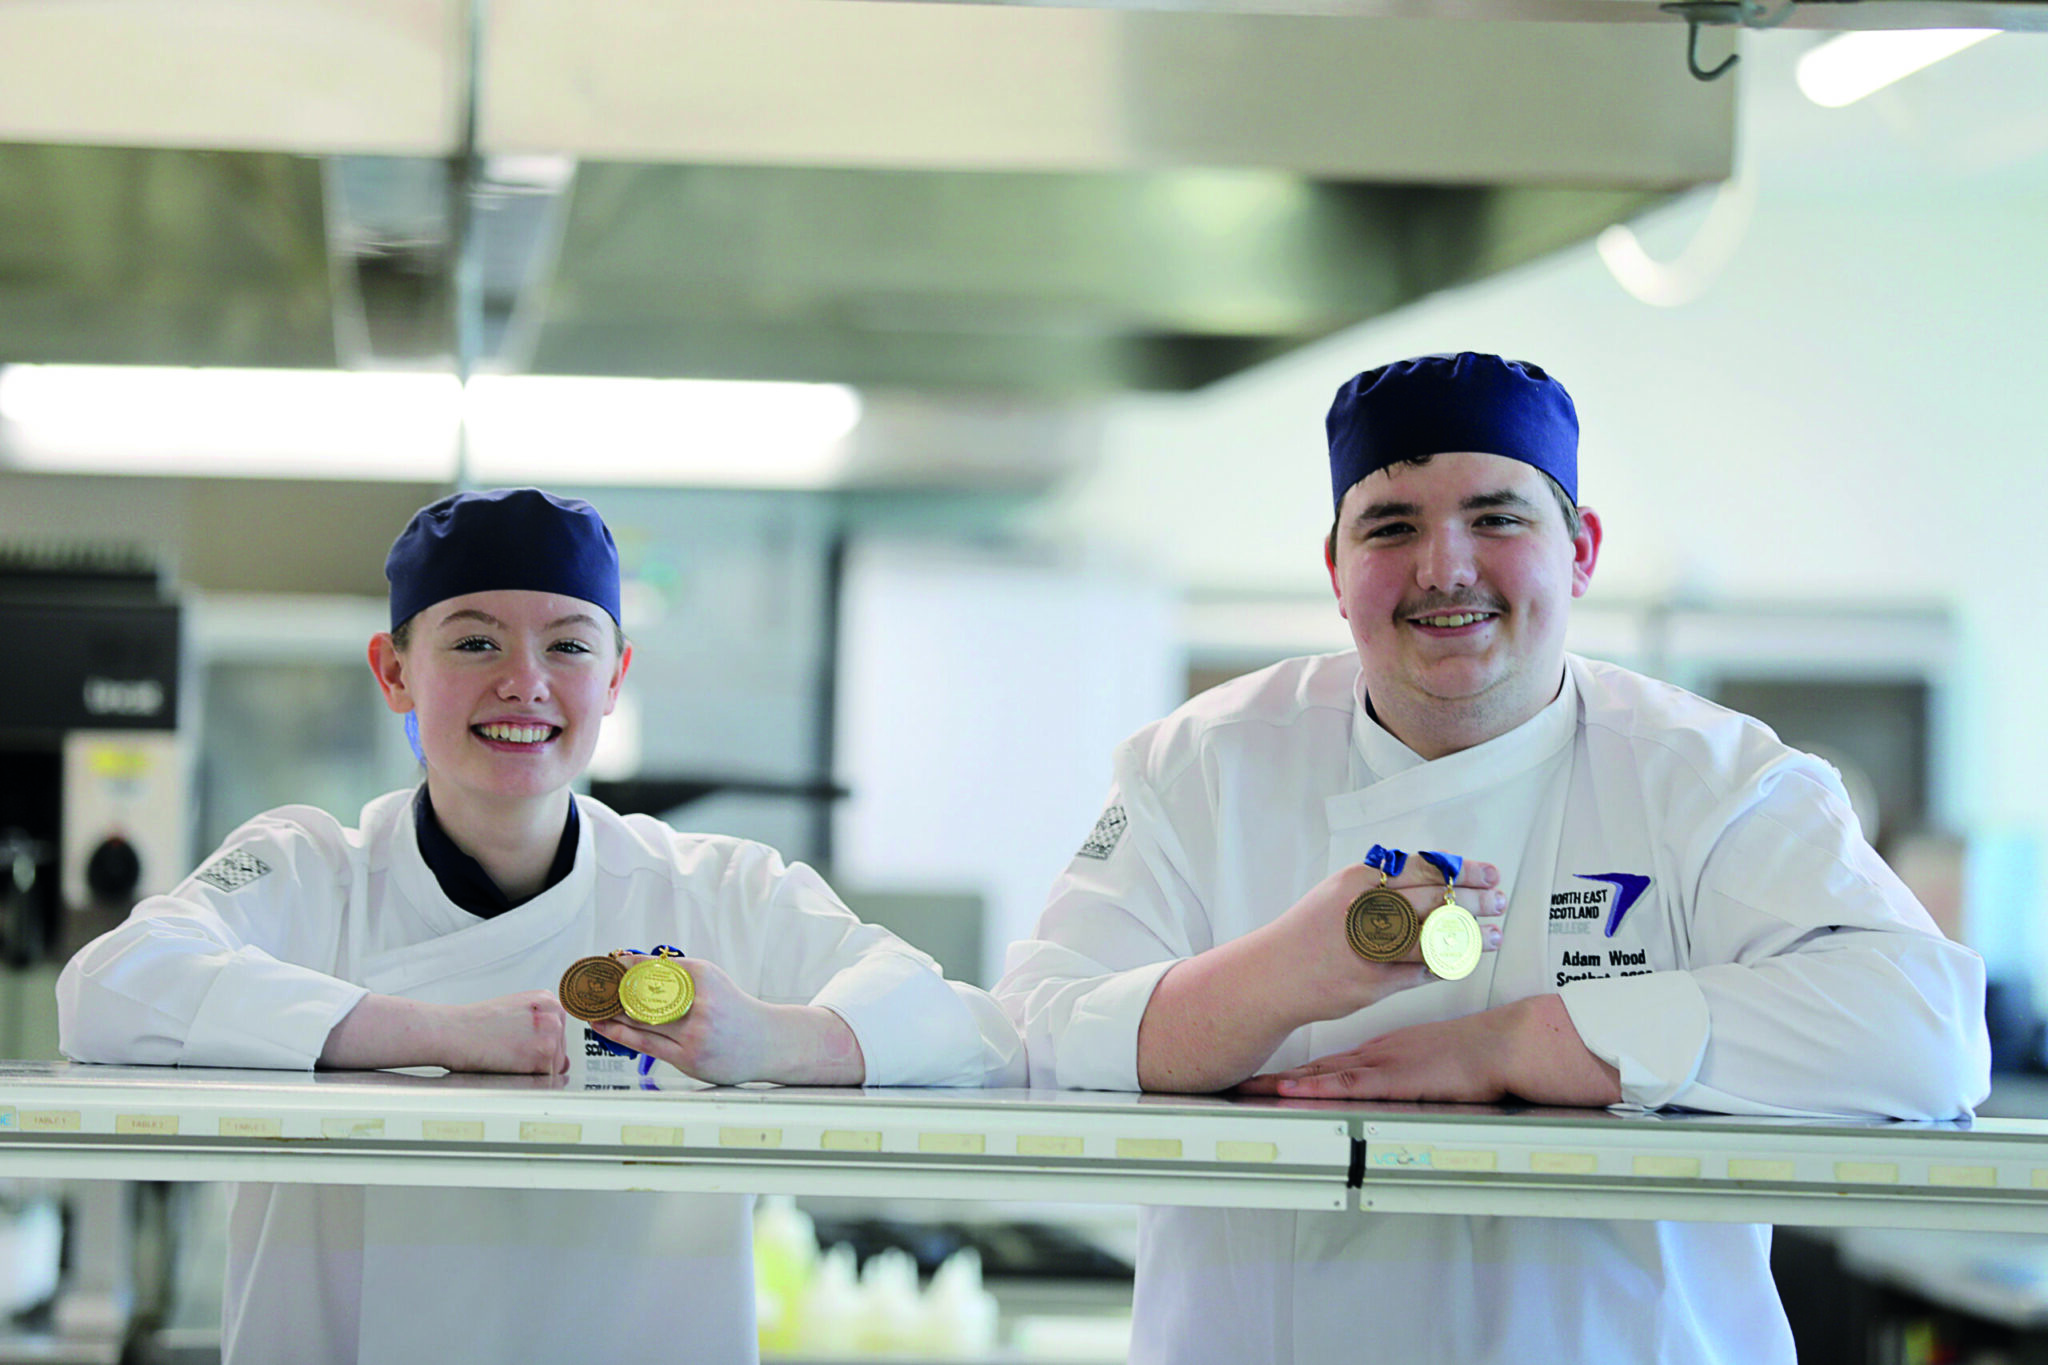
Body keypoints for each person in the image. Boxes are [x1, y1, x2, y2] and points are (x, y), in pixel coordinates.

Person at [994, 352, 1990, 1364]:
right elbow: (1031, 1032)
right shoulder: (1202, 767)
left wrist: (1525, 1044)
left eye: (1497, 518)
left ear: (1579, 551)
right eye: (1390, 525)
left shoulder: (1710, 780)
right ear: (1336, 572)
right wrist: (1278, 978)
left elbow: (1925, 1032)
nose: (1444, 568)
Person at [57, 487, 1024, 1365]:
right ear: (393, 671)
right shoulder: (313, 871)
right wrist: (432, 1035)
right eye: (475, 641)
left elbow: (974, 1030)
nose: (526, 681)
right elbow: (106, 985)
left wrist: (765, 1038)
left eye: (568, 644)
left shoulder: (717, 889)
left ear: (615, 677)